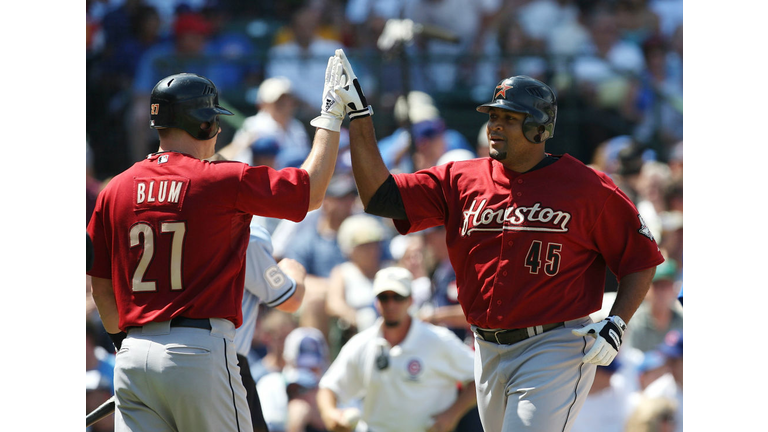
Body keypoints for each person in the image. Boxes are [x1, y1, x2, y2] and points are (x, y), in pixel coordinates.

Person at [329, 49, 665, 432]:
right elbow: (380, 197)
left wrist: (617, 322)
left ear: (539, 129)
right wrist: (359, 120)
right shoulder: (460, 178)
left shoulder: (588, 187)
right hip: (486, 347)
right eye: (493, 116)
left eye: (509, 118)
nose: (495, 126)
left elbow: (641, 259)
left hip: (554, 343)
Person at [87, 62, 346, 431]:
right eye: (214, 120)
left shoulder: (115, 188)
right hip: (198, 353)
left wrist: (123, 345)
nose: (219, 129)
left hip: (133, 355)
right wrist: (331, 116)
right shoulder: (221, 179)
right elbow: (312, 191)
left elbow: (100, 285)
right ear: (204, 124)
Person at [316, 266, 478, 432]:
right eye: (384, 297)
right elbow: (328, 387)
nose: (391, 304)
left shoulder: (438, 340)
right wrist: (330, 414)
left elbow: (478, 376)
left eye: (398, 297)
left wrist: (453, 414)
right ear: (376, 301)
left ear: (411, 300)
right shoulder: (363, 343)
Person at [231, 216, 309, 432]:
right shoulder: (247, 233)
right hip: (222, 358)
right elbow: (290, 299)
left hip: (141, 344)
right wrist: (293, 272)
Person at [623, 259, 682, 353]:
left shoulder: (682, 321)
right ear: (647, 291)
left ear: (674, 290)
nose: (662, 292)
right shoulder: (634, 321)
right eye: (657, 286)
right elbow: (629, 361)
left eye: (666, 286)